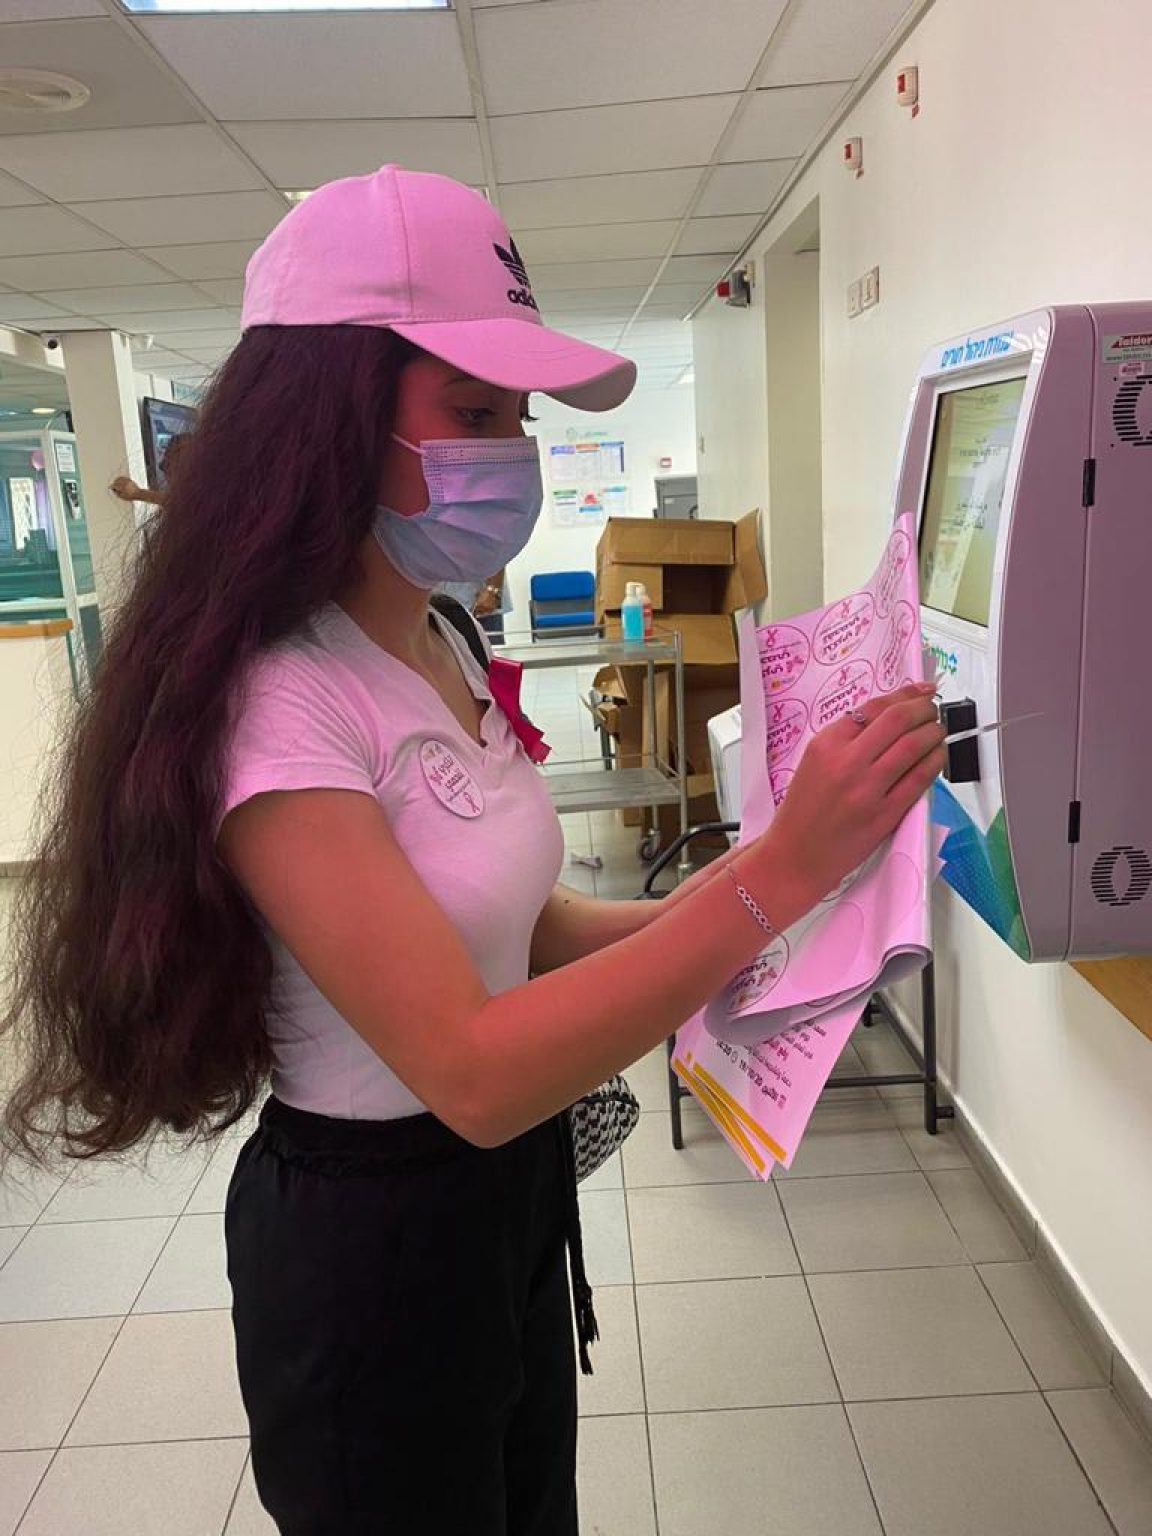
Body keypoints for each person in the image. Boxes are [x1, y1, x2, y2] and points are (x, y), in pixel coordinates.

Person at [0, 166, 945, 1535]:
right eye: (475, 413)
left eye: (521, 419)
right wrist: (772, 877)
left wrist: (785, 891)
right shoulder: (279, 699)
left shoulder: (437, 635)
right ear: (329, 422)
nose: (514, 456)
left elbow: (530, 925)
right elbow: (472, 1068)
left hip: (507, 1203)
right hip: (372, 1254)